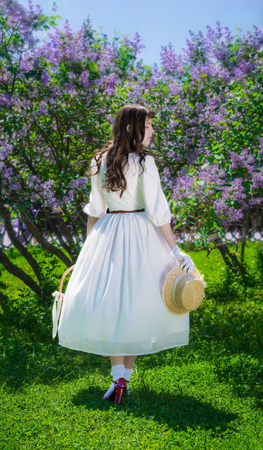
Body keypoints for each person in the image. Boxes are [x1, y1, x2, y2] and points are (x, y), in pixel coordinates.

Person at [58, 104, 195, 404]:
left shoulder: (99, 159)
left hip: (107, 234)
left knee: (112, 305)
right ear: (132, 127)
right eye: (147, 125)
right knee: (136, 303)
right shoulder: (145, 163)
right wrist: (175, 250)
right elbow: (159, 214)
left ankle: (118, 377)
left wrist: (87, 248)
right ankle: (124, 380)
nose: (152, 131)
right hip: (141, 234)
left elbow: (95, 210)